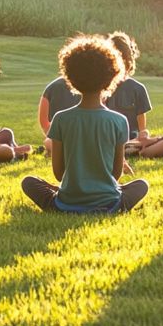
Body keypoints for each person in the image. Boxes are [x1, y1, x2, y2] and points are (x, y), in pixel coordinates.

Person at [22, 35, 149, 213]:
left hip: (67, 202)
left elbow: (59, 174)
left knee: (29, 182)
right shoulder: (120, 121)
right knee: (141, 185)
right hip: (109, 201)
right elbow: (115, 174)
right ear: (112, 77)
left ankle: (63, 204)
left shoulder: (60, 118)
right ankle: (108, 206)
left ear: (69, 77)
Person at [106, 32, 163, 158]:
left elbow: (142, 128)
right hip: (108, 140)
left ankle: (135, 151)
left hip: (132, 142)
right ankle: (123, 151)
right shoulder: (100, 87)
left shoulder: (138, 88)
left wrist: (144, 136)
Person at [37, 74, 80, 156]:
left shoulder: (52, 87)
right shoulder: (53, 88)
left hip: (64, 139)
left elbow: (44, 123)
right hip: (64, 138)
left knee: (50, 142)